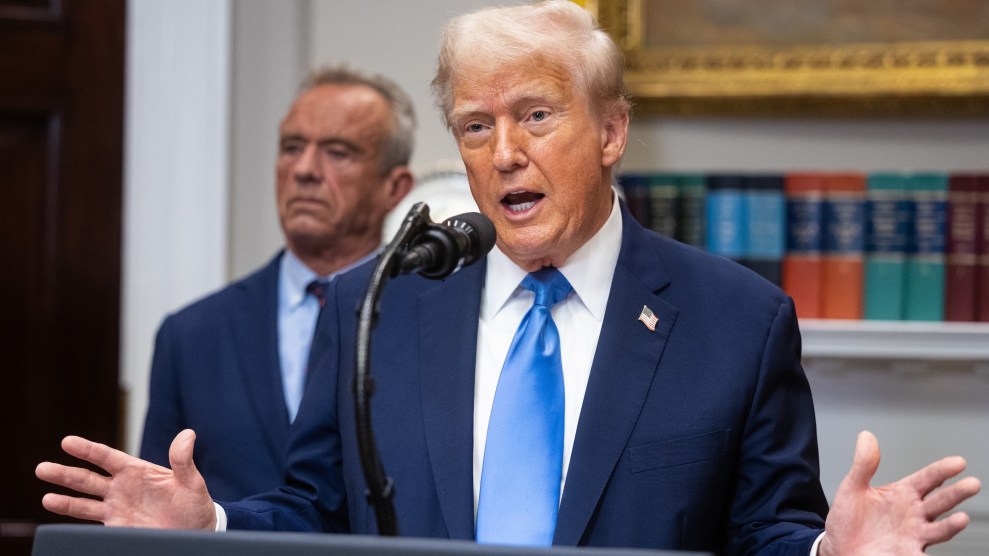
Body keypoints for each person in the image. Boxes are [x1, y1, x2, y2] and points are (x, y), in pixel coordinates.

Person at [36, 2, 980, 554]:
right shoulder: (376, 303)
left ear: (610, 132)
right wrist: (211, 528)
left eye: (536, 115)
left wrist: (825, 553)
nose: (505, 154)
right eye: (477, 127)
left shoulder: (738, 320)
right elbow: (314, 508)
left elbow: (765, 533)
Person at [137, 65, 415, 501]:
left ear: (394, 188)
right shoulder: (191, 336)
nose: (304, 169)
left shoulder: (432, 321)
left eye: (337, 152)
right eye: (291, 148)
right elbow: (157, 512)